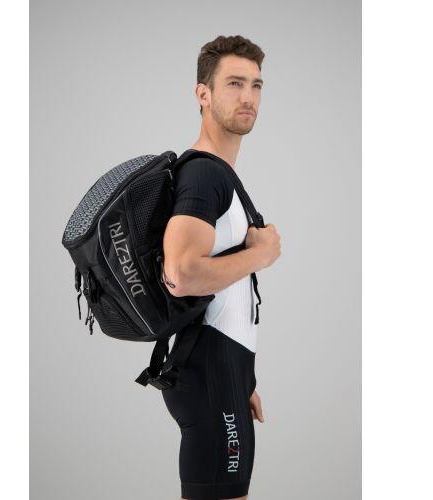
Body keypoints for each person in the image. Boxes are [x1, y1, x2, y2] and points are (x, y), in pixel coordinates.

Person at [161, 35, 282, 500]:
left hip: (222, 375)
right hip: (210, 376)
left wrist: (240, 377)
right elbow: (182, 273)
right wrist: (261, 255)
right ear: (203, 94)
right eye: (234, 83)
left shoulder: (221, 174)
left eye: (256, 85)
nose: (248, 96)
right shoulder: (204, 174)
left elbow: (224, 291)